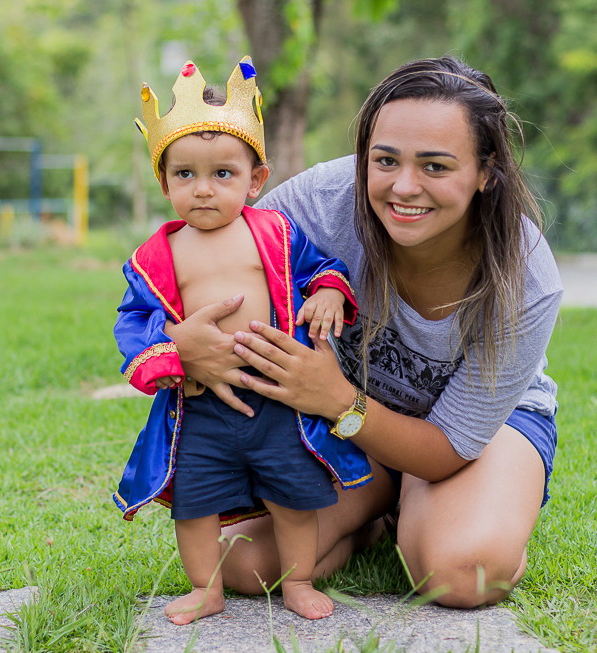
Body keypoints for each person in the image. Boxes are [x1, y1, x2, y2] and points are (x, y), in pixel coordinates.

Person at [165, 56, 563, 609]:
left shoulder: (525, 276)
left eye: (436, 167)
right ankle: (379, 509)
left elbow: (450, 446)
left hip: (474, 435)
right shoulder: (322, 203)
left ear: (487, 171)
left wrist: (335, 399)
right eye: (385, 160)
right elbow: (187, 257)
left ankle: (459, 511)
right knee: (246, 567)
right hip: (350, 427)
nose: (404, 187)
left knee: (460, 574)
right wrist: (181, 343)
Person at [112, 56, 373, 624]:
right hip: (201, 406)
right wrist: (171, 352)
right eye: (185, 175)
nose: (203, 190)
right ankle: (206, 590)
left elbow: (319, 266)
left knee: (292, 494)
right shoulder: (157, 257)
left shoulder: (275, 232)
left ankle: (298, 580)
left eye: (222, 174)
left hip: (278, 398)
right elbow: (135, 321)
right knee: (195, 504)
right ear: (164, 182)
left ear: (256, 180)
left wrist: (328, 292)